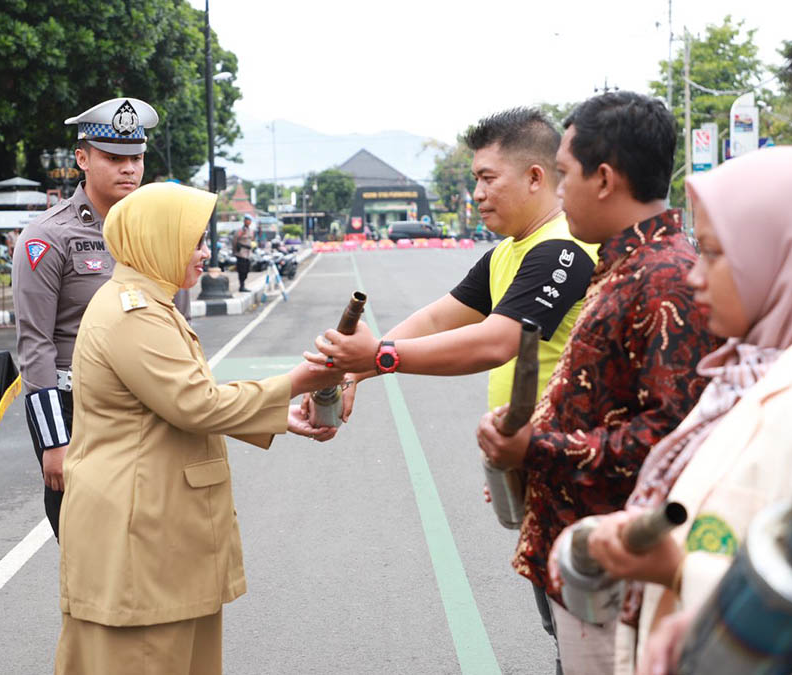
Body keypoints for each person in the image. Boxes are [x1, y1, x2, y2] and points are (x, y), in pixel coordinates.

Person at [566, 147, 792, 673]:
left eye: (712, 253)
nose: (694, 276)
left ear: (788, 254)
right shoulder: (737, 376)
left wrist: (682, 571)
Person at [475, 92, 719, 674]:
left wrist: (538, 448)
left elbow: (670, 433)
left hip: (620, 561)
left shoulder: (663, 279)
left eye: (564, 174)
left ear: (604, 178)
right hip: (582, 549)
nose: (559, 191)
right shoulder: (622, 267)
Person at [54, 182, 342, 674]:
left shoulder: (149, 302)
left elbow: (180, 397)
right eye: (194, 242)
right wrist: (297, 383)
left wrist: (279, 415)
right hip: (140, 533)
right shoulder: (133, 313)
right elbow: (195, 404)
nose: (206, 254)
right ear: (155, 240)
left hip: (159, 529)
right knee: (147, 658)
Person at [310, 107, 597, 421]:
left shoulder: (562, 248)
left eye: (488, 179)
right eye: (476, 180)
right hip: (520, 451)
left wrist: (380, 355)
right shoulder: (504, 253)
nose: (477, 194)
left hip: (565, 450)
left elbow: (495, 343)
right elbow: (436, 320)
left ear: (534, 177)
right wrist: (354, 372)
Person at [13, 96, 158, 539]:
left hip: (142, 408)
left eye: (135, 157)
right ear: (82, 158)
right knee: (89, 551)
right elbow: (34, 344)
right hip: (77, 411)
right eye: (114, 158)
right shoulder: (48, 236)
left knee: (144, 551)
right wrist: (53, 440)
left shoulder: (149, 231)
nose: (129, 169)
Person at [234, 215, 253, 291]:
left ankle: (243, 284)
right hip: (241, 253)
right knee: (241, 270)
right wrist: (235, 251)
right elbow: (235, 241)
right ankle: (241, 286)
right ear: (244, 221)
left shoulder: (250, 230)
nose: (249, 222)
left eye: (250, 220)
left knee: (247, 270)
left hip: (248, 254)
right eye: (247, 220)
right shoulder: (240, 230)